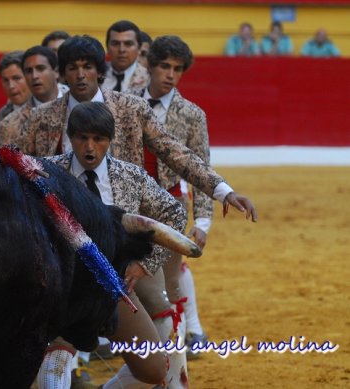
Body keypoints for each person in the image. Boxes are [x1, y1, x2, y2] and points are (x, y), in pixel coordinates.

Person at [16, 34, 258, 225]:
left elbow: (173, 151)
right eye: (73, 68)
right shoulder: (41, 117)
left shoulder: (131, 109)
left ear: (100, 71)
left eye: (87, 66)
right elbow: (17, 166)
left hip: (124, 224)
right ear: (63, 74)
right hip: (62, 225)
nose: (80, 75)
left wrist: (222, 191)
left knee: (152, 290)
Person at [38, 101, 188, 389]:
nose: (90, 147)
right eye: (82, 137)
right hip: (65, 289)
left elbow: (175, 214)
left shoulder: (129, 176)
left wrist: (144, 264)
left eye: (99, 138)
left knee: (153, 368)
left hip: (113, 286)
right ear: (71, 137)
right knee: (55, 361)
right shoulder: (48, 173)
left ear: (110, 140)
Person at [135, 35, 212, 384]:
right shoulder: (124, 103)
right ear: (150, 65)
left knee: (169, 288)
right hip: (129, 205)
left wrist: (205, 220)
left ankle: (176, 363)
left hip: (170, 209)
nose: (170, 74)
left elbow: (201, 166)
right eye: (164, 66)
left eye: (177, 69)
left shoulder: (192, 114)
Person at [0, 46, 66, 146]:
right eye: (29, 71)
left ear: (56, 72)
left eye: (17, 78)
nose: (34, 76)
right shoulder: (8, 122)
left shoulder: (76, 99)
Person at [101, 20, 150, 94]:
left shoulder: (150, 80)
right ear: (107, 47)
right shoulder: (96, 76)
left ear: (139, 48)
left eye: (128, 44)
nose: (121, 49)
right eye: (115, 43)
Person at [0, 50, 32, 127]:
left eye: (17, 78)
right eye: (5, 80)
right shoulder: (4, 113)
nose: (11, 86)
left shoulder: (52, 107)